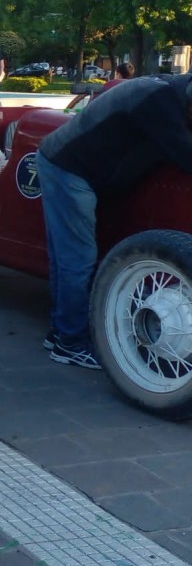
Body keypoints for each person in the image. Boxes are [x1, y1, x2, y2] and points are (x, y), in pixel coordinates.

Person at [37, 75, 192, 369]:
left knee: (65, 259)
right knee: (77, 259)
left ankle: (60, 334)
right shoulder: (158, 100)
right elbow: (184, 153)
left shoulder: (166, 92)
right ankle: (70, 343)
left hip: (62, 161)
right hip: (69, 168)